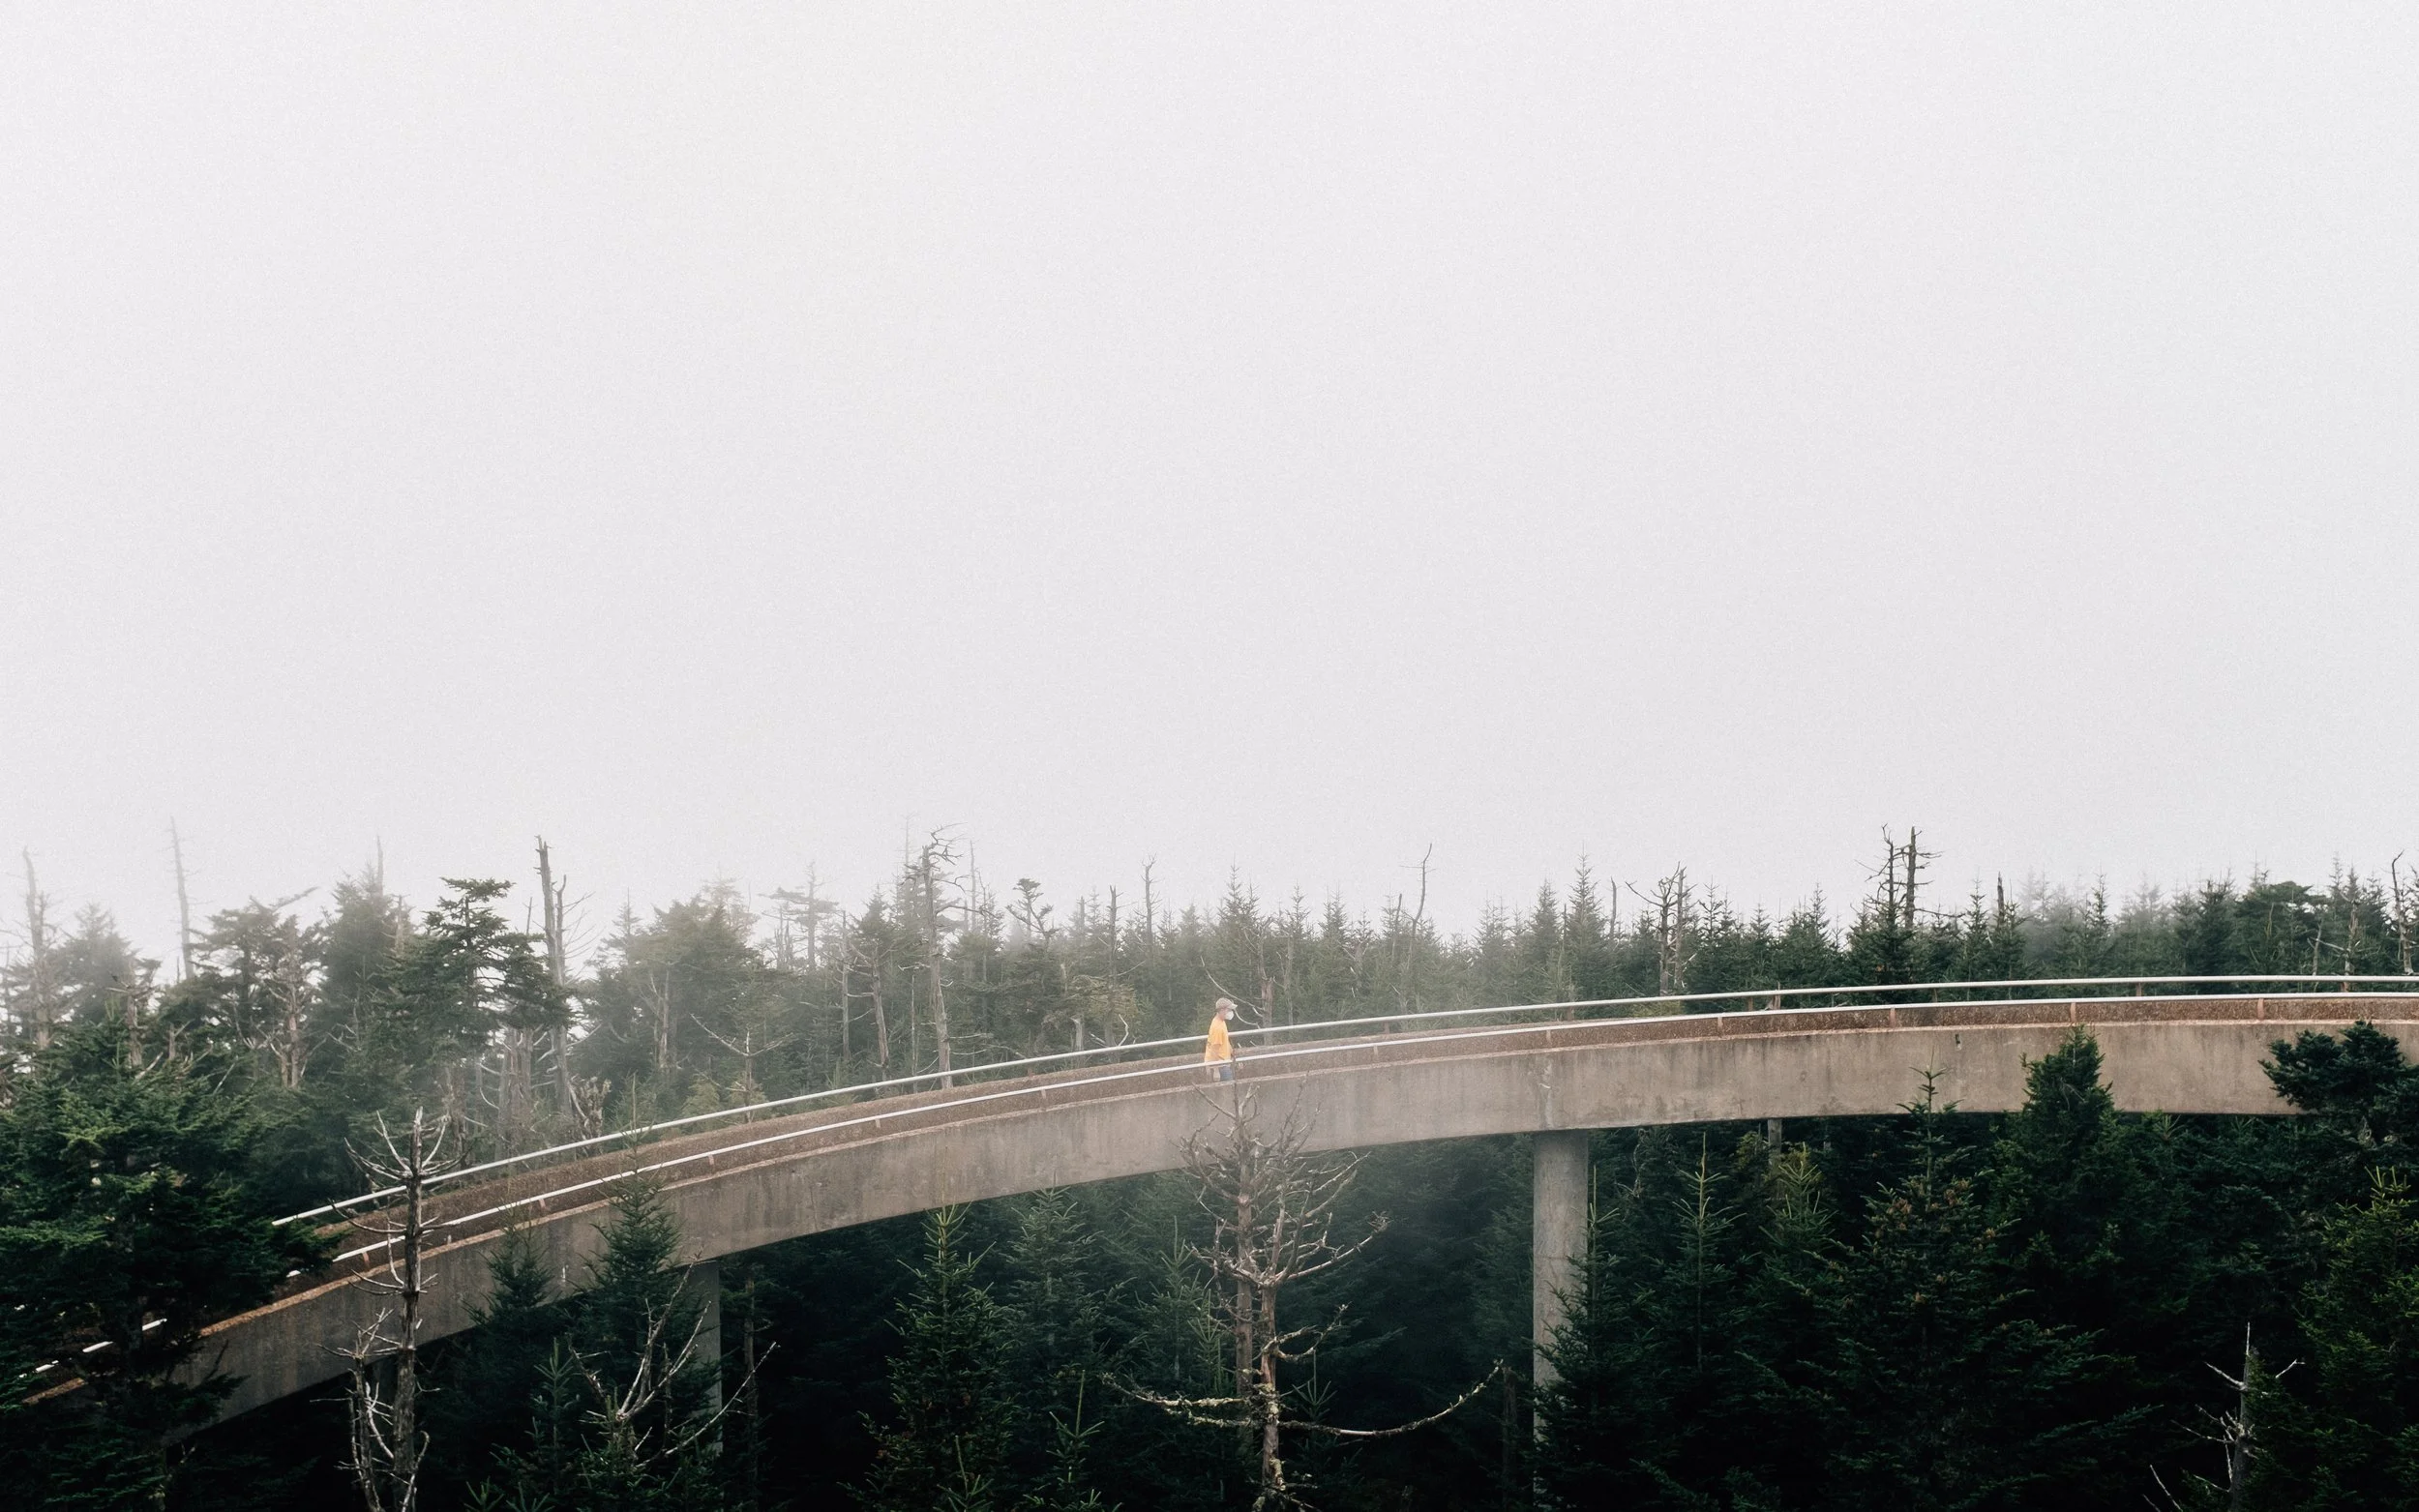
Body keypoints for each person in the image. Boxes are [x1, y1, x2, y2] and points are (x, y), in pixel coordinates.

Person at [1204, 997, 1238, 1082]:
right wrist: (1216, 1071)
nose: (1230, 1012)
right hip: (1220, 1066)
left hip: (1224, 1063)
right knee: (1229, 1088)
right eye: (1229, 1010)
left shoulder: (1221, 1022)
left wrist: (1233, 1055)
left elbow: (1225, 1041)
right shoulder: (1217, 1027)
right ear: (1222, 1010)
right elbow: (1214, 1049)